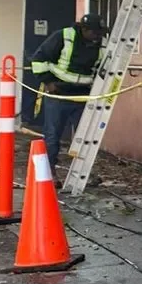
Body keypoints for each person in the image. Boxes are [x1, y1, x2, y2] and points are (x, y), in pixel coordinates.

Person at [31, 13, 105, 170]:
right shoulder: (63, 36)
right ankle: (48, 173)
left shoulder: (101, 43)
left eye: (100, 33)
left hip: (83, 95)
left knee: (84, 137)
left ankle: (81, 173)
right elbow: (38, 59)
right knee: (52, 136)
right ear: (84, 29)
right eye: (94, 32)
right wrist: (49, 82)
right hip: (58, 93)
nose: (97, 36)